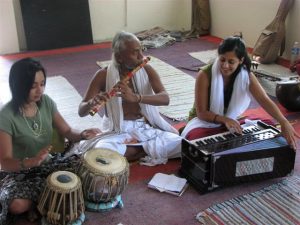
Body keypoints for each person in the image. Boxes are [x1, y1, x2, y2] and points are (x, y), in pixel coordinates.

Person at [0, 58, 100, 224]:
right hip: (22, 173)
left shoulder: (46, 102)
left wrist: (82, 133)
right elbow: (5, 162)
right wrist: (31, 161)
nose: (39, 90)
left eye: (42, 83)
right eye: (33, 86)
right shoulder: (6, 116)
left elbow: (67, 131)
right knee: (16, 205)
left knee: (91, 176)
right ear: (18, 85)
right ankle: (54, 198)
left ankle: (47, 200)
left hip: (51, 164)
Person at [78, 31, 182, 165]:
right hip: (116, 130)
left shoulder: (147, 70)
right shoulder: (103, 75)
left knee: (182, 145)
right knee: (101, 151)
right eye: (135, 52)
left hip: (143, 127)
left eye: (141, 50)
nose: (141, 56)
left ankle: (135, 151)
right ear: (119, 57)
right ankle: (144, 150)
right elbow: (81, 111)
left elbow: (165, 99)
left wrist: (137, 98)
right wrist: (92, 103)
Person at [181, 36, 299, 149]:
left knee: (268, 125)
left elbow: (263, 99)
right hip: (203, 123)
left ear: (241, 60)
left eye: (231, 62)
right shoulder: (205, 75)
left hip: (231, 120)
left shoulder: (246, 75)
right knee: (197, 141)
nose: (225, 66)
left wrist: (283, 121)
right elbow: (201, 113)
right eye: (222, 60)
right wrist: (225, 120)